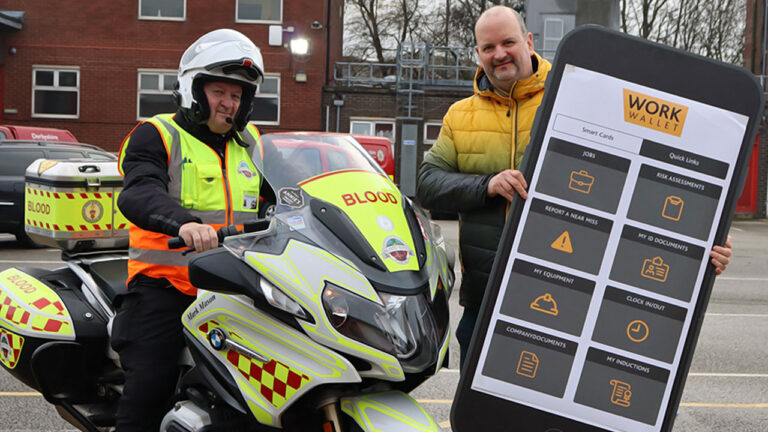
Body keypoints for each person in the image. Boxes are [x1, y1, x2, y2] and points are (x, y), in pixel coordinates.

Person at [416, 5, 733, 369]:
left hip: (571, 291)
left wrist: (704, 234)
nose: (499, 53)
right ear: (478, 54)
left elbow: (648, 174)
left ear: (529, 42)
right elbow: (428, 184)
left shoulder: (579, 94)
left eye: (508, 42)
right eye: (488, 47)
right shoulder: (460, 116)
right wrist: (488, 184)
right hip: (487, 296)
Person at [111, 29, 266, 432]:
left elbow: (282, 197)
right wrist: (186, 223)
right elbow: (139, 191)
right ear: (193, 89)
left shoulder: (252, 144)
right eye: (220, 92)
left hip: (237, 287)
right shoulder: (158, 133)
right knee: (149, 385)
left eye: (237, 95)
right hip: (165, 287)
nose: (229, 103)